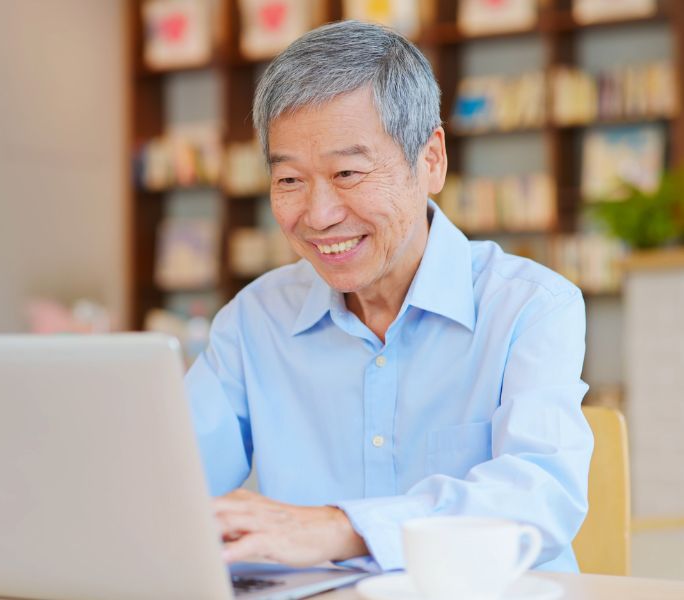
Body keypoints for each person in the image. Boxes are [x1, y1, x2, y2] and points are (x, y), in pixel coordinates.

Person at [185, 20, 593, 573]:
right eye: (288, 181)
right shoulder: (254, 320)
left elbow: (538, 500)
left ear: (431, 160)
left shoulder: (530, 307)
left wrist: (339, 528)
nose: (319, 215)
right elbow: (170, 488)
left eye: (348, 172)